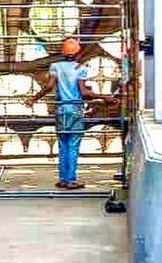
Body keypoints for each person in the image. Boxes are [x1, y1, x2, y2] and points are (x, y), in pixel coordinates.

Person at [25, 37, 107, 190]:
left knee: (63, 145)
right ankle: (71, 180)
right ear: (78, 53)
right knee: (73, 145)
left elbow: (49, 86)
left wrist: (34, 99)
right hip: (75, 110)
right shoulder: (80, 69)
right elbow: (84, 93)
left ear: (63, 52)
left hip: (61, 109)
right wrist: (104, 97)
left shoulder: (55, 66)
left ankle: (63, 179)